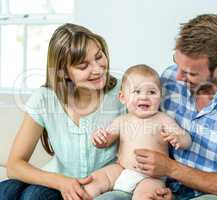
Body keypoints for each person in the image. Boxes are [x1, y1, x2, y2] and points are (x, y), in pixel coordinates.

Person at [133, 14, 217, 200]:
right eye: (177, 63)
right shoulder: (169, 78)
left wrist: (170, 168)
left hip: (209, 195)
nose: (178, 78)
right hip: (162, 187)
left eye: (190, 73)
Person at [0, 23, 124, 200]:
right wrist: (61, 182)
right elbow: (14, 165)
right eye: (83, 66)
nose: (97, 69)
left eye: (99, 57)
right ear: (63, 73)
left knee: (32, 197)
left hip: (102, 186)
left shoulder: (125, 92)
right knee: (6, 191)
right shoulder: (45, 98)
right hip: (57, 182)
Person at [84, 64, 192, 200]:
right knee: (95, 179)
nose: (144, 97)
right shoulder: (121, 120)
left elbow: (187, 140)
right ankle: (86, 196)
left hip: (151, 176)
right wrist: (99, 138)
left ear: (160, 97)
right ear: (122, 97)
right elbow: (106, 141)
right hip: (122, 169)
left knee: (145, 196)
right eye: (137, 91)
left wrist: (179, 138)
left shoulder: (162, 119)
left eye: (152, 92)